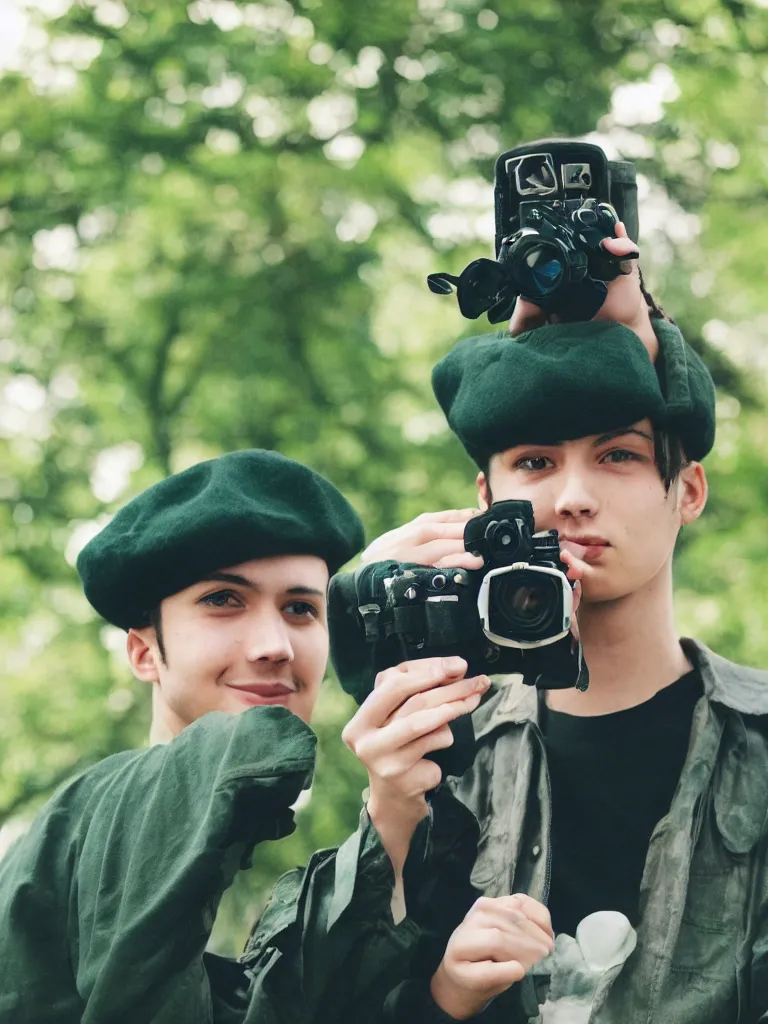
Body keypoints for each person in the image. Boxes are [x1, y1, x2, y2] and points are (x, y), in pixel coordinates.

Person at [251, 227, 768, 1024]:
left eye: (620, 456)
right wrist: (392, 818)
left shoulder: (759, 742)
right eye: (534, 462)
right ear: (485, 504)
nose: (572, 497)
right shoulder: (443, 747)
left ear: (688, 490)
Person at [0, 449, 386, 1023]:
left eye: (302, 608)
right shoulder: (122, 805)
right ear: (143, 652)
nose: (275, 645)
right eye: (223, 600)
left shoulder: (217, 832)